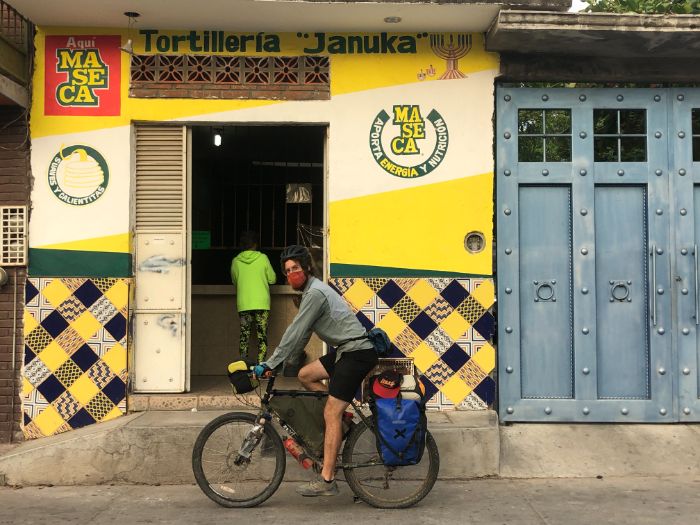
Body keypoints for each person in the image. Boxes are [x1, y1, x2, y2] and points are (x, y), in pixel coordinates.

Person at [254, 245, 378, 497]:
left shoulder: (315, 293)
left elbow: (295, 331)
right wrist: (286, 363)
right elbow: (302, 337)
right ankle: (340, 421)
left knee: (331, 411)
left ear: (307, 268)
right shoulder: (311, 292)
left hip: (356, 352)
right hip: (346, 350)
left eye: (296, 268)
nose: (292, 274)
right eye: (287, 271)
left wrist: (271, 363)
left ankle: (327, 479)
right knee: (305, 375)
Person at [230, 231, 276, 363]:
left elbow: (235, 281)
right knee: (262, 337)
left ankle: (243, 367)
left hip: (244, 304)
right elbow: (272, 279)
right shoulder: (263, 259)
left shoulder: (236, 261)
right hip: (262, 303)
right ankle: (261, 367)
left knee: (244, 336)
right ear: (255, 244)